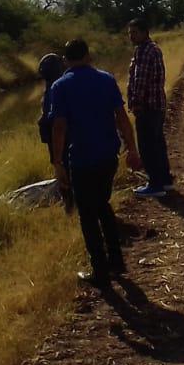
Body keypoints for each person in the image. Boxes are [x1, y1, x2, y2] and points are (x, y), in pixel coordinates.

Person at [49, 39, 142, 286]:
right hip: (108, 156)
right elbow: (122, 118)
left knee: (88, 215)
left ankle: (100, 271)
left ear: (66, 60)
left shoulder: (60, 86)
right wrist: (132, 148)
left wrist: (57, 162)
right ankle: (116, 261)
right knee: (102, 205)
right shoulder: (106, 79)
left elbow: (59, 127)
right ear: (88, 56)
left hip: (81, 158)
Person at [127, 17, 173, 198]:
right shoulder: (152, 49)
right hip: (156, 105)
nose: (131, 36)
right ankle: (165, 179)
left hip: (148, 107)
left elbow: (140, 80)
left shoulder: (145, 51)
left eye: (135, 32)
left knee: (148, 147)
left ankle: (155, 184)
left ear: (144, 32)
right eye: (130, 33)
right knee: (158, 144)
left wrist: (135, 103)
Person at [37, 53, 72, 212]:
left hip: (57, 137)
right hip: (63, 135)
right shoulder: (60, 86)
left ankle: (70, 205)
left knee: (62, 170)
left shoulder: (53, 89)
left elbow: (53, 120)